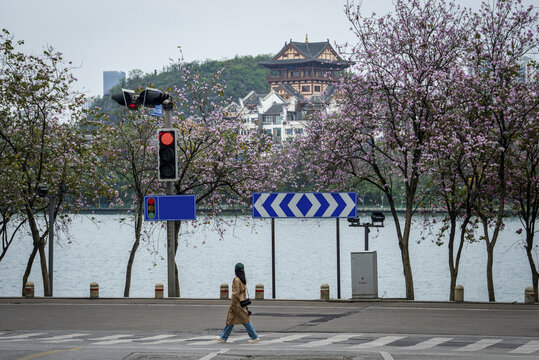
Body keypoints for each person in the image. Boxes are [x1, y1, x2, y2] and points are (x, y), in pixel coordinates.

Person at [216, 262, 260, 343]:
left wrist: (232, 304)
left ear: (236, 270)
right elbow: (243, 293)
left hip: (237, 304)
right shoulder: (242, 279)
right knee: (231, 320)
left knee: (245, 320)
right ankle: (223, 337)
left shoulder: (236, 279)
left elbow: (235, 293)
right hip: (241, 303)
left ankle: (254, 337)